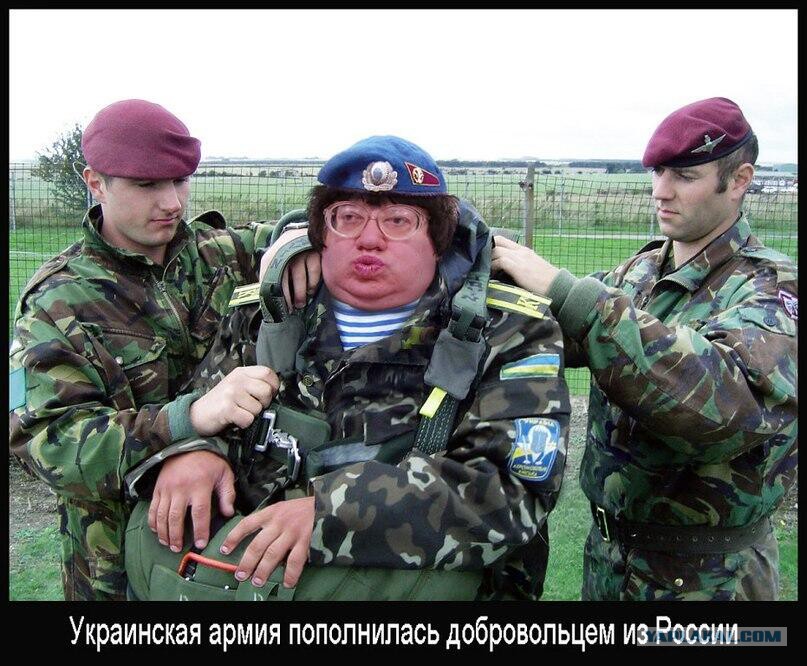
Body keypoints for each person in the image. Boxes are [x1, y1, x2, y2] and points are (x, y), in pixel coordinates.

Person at [128, 135, 571, 600]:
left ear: (438, 241)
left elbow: (508, 489)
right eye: (348, 217)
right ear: (321, 234)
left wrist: (327, 512)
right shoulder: (267, 314)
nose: (369, 239)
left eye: (399, 220)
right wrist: (194, 451)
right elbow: (208, 404)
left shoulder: (509, 331)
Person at [491, 97, 798, 600]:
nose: (661, 191)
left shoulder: (771, 288)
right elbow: (558, 328)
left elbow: (723, 407)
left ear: (739, 180)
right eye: (657, 172)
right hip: (609, 562)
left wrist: (566, 291)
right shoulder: (641, 271)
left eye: (685, 176)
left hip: (708, 579)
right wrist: (483, 266)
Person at [8, 99, 315, 601]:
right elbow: (48, 443)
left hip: (226, 544)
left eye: (180, 180)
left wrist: (295, 247)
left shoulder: (217, 253)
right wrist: (184, 422)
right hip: (115, 565)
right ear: (96, 183)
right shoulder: (58, 301)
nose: (172, 202)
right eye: (148, 185)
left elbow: (306, 230)